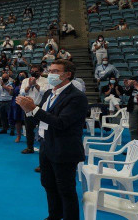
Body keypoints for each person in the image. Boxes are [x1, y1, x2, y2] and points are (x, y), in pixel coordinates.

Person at [16, 59, 87, 220]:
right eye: (51, 70)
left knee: (66, 190)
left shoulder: (77, 97)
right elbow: (42, 117)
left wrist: (33, 109)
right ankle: (54, 216)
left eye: (56, 71)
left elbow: (61, 123)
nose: (51, 74)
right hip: (46, 145)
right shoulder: (49, 93)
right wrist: (28, 110)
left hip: (64, 149)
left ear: (68, 74)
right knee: (48, 185)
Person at [20, 65, 49, 154]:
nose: (33, 72)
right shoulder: (25, 80)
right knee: (29, 129)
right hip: (28, 107)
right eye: (32, 71)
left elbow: (45, 92)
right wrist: (29, 85)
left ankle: (44, 149)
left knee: (42, 129)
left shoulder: (45, 80)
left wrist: (35, 84)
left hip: (40, 107)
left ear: (40, 72)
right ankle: (30, 147)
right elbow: (22, 92)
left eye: (36, 71)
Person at [10, 71, 27, 141]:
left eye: (23, 74)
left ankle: (30, 135)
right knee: (18, 120)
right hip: (16, 103)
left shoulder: (28, 82)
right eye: (20, 74)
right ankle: (18, 135)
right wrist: (10, 90)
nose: (21, 75)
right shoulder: (15, 83)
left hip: (26, 102)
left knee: (27, 120)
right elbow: (12, 93)